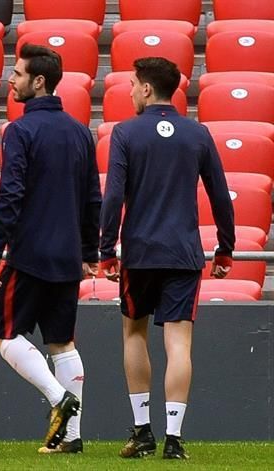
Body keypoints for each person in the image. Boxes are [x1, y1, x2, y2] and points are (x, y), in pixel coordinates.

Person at [100, 57, 235, 460]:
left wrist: (107, 250)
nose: (127, 91)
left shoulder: (125, 133)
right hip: (183, 253)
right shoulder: (197, 133)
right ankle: (174, 439)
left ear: (145, 88)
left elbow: (113, 197)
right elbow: (220, 193)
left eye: (130, 84)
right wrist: (225, 246)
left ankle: (143, 432)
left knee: (134, 334)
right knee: (179, 343)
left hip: (140, 253)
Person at [0, 43, 101, 454]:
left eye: (16, 74)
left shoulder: (20, 130)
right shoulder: (80, 131)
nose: (9, 81)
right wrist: (91, 251)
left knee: (4, 335)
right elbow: (93, 197)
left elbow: (10, 193)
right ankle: (71, 439)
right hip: (68, 256)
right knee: (62, 343)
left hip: (30, 254)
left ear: (38, 81)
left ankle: (58, 399)